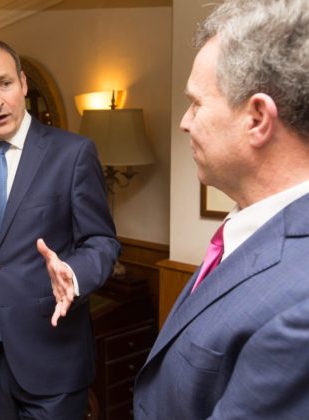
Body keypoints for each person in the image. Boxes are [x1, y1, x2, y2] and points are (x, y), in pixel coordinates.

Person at [134, 0, 309, 418]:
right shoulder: (250, 229)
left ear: (257, 119)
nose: (184, 122)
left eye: (196, 103)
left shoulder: (298, 312)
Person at [0, 39, 120, 419]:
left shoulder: (73, 153)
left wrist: (72, 272)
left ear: (22, 83)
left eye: (4, 84)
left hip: (53, 355)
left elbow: (101, 240)